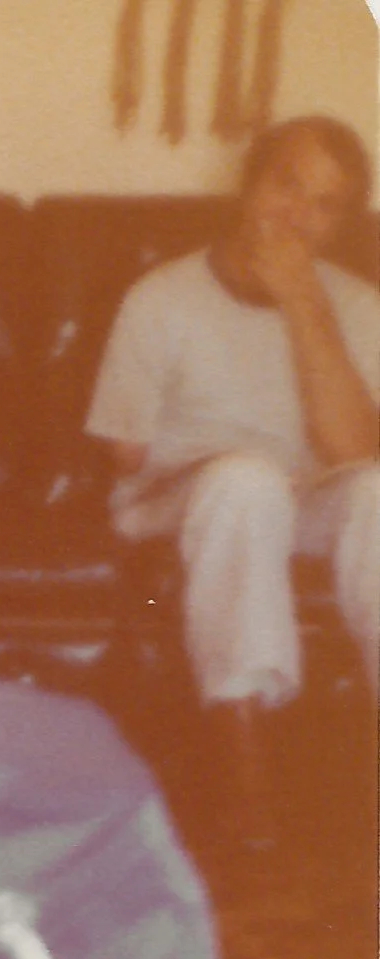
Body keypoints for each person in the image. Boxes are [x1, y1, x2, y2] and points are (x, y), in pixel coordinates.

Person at [85, 113, 380, 811]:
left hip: (298, 496)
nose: (298, 216)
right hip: (172, 496)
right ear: (248, 187)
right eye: (286, 186)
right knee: (245, 482)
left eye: (324, 205)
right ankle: (243, 759)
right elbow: (125, 453)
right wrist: (220, 459)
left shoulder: (360, 307)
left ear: (341, 226)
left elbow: (351, 454)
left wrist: (304, 299)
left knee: (375, 491)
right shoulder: (160, 297)